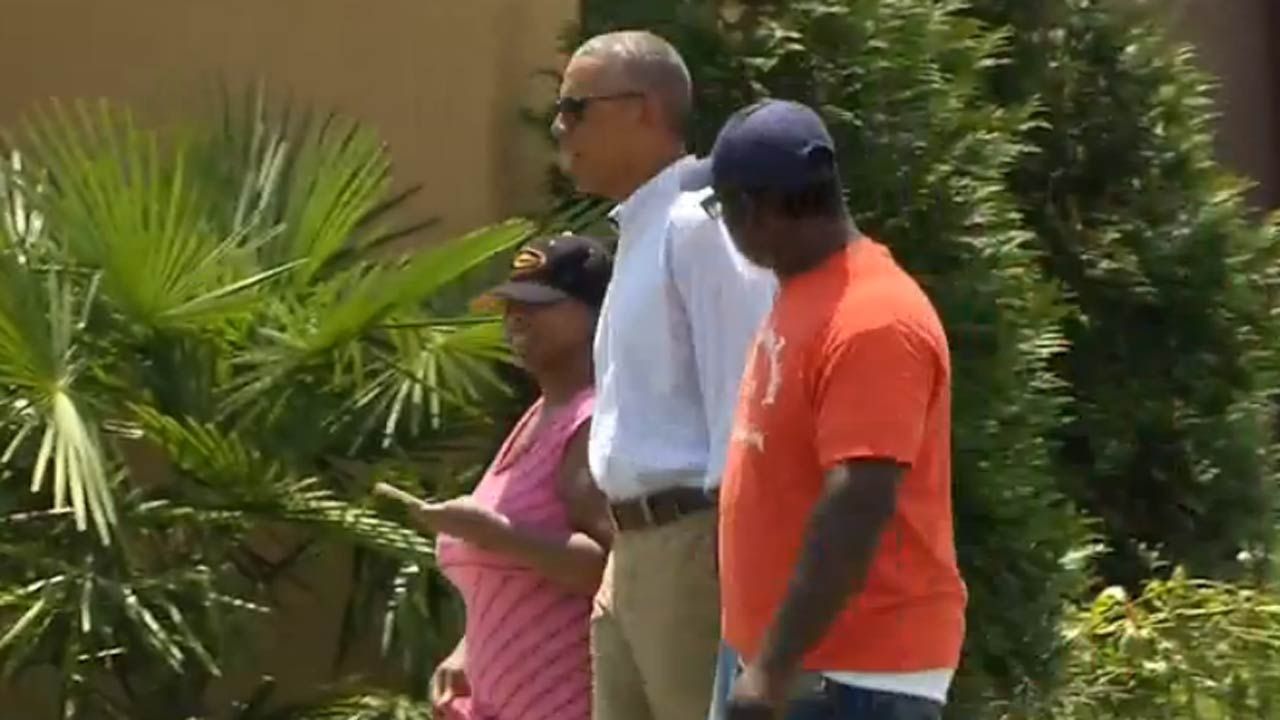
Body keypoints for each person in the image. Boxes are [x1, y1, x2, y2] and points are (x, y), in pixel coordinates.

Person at [684, 99, 968, 719]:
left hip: (849, 678)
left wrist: (771, 669)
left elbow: (858, 501)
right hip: (793, 666)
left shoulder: (873, 317)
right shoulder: (808, 293)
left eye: (721, 206)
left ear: (756, 210)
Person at [553, 30, 776, 720]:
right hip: (635, 552)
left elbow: (747, 407)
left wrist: (729, 564)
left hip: (693, 546)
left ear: (644, 109)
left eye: (576, 107)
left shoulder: (699, 226)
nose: (560, 127)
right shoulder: (645, 230)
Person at [407, 235, 615, 720]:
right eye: (509, 306)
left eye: (538, 304)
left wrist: (495, 535)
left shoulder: (593, 420)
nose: (515, 317)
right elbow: (518, 585)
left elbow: (613, 569)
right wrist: (467, 654)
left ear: (596, 314)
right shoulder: (538, 416)